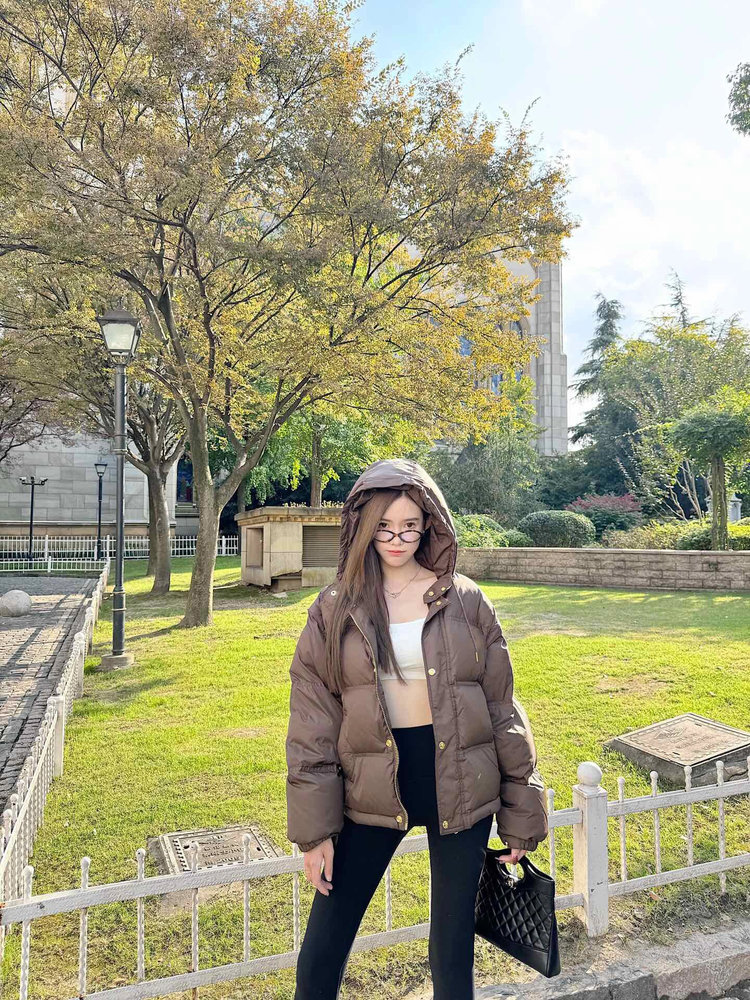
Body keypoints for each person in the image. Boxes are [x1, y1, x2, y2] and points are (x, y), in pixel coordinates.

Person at [285, 458, 547, 1000]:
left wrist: (522, 813)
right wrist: (315, 832)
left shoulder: (466, 599)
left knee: (452, 954)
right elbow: (313, 722)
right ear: (363, 526)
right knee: (320, 954)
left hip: (460, 782)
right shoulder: (333, 608)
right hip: (371, 787)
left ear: (429, 524)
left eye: (409, 526)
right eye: (384, 527)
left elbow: (501, 707)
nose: (397, 540)